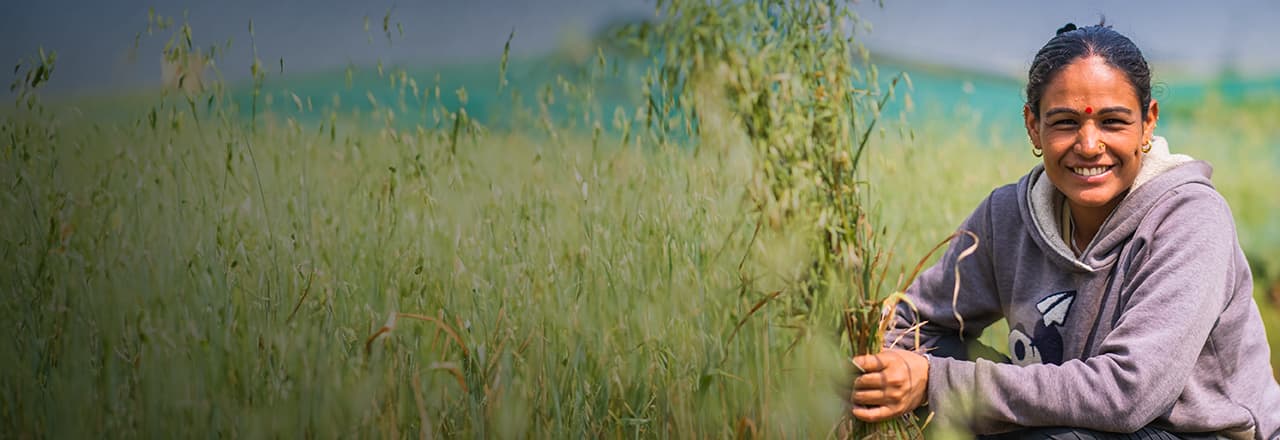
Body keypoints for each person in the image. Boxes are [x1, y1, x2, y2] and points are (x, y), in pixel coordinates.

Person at [848, 22, 1280, 439]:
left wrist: (938, 383)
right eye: (1065, 122)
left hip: (1192, 433)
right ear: (1033, 126)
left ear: (1148, 122)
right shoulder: (1007, 216)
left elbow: (1127, 395)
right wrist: (889, 372)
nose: (1089, 145)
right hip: (1074, 421)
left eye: (1112, 121)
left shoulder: (1190, 219)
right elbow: (910, 325)